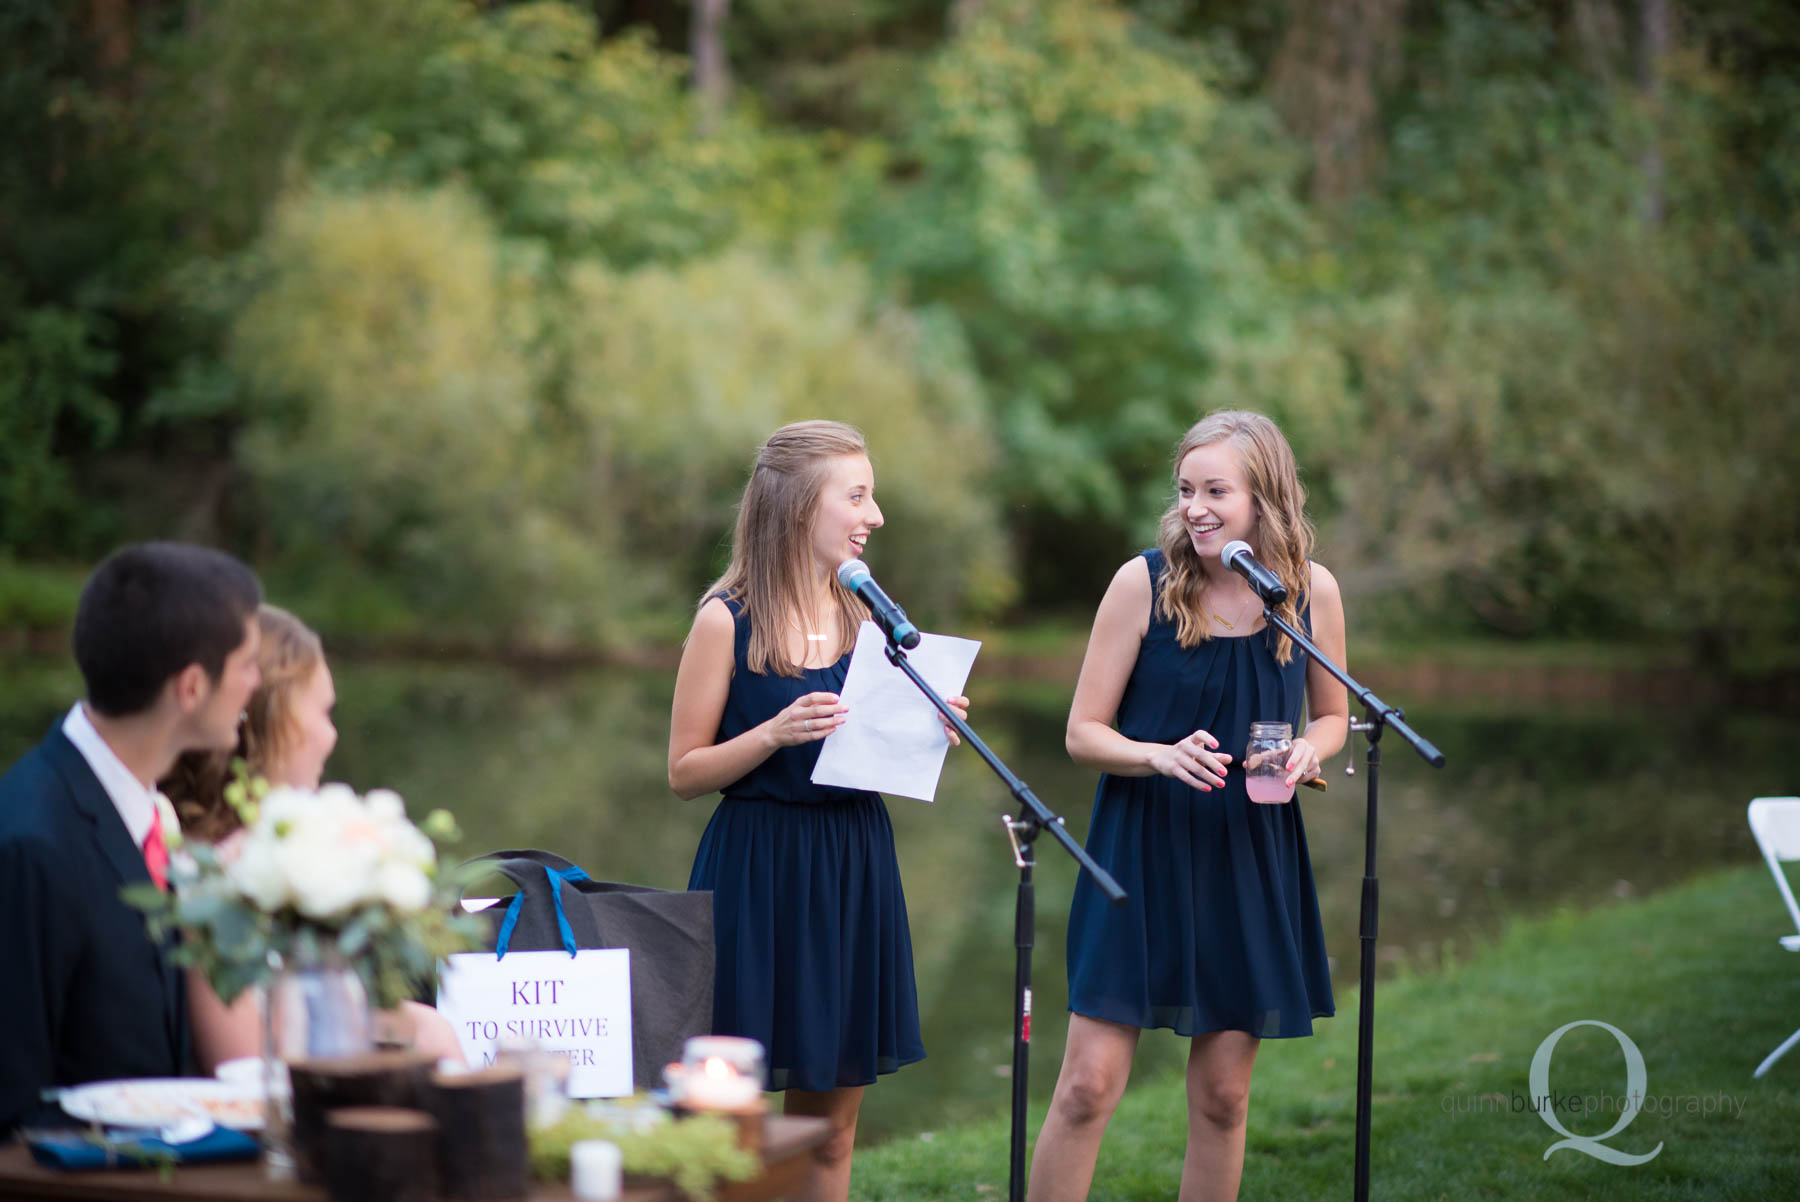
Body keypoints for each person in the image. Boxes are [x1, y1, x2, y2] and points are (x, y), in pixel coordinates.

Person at [1027, 411, 1349, 1202]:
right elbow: (1081, 733)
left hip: (1251, 854)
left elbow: (1336, 717)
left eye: (1217, 492)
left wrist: (1313, 749)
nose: (1196, 508)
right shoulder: (1142, 584)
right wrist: (1156, 755)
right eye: (1186, 490)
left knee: (1224, 1097)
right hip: (1139, 851)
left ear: (1264, 499)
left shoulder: (1310, 592)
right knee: (1086, 1088)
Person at [668, 420, 967, 1202]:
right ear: (801, 507)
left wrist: (929, 728)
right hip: (757, 869)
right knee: (724, 1123)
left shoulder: (867, 617)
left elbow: (873, 752)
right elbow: (684, 772)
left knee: (831, 1130)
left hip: (852, 866)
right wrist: (770, 733)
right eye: (858, 496)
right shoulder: (723, 620)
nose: (875, 516)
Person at [0, 542, 263, 1133]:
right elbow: (11, 1112)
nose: (257, 682)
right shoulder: (31, 846)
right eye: (248, 662)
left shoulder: (147, 816)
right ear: (191, 687)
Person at [160, 604, 464, 1068]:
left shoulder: (295, 852)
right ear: (273, 718)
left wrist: (404, 1022)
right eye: (323, 712)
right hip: (263, 1110)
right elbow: (245, 1065)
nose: (331, 736)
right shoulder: (207, 877)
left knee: (433, 1029)